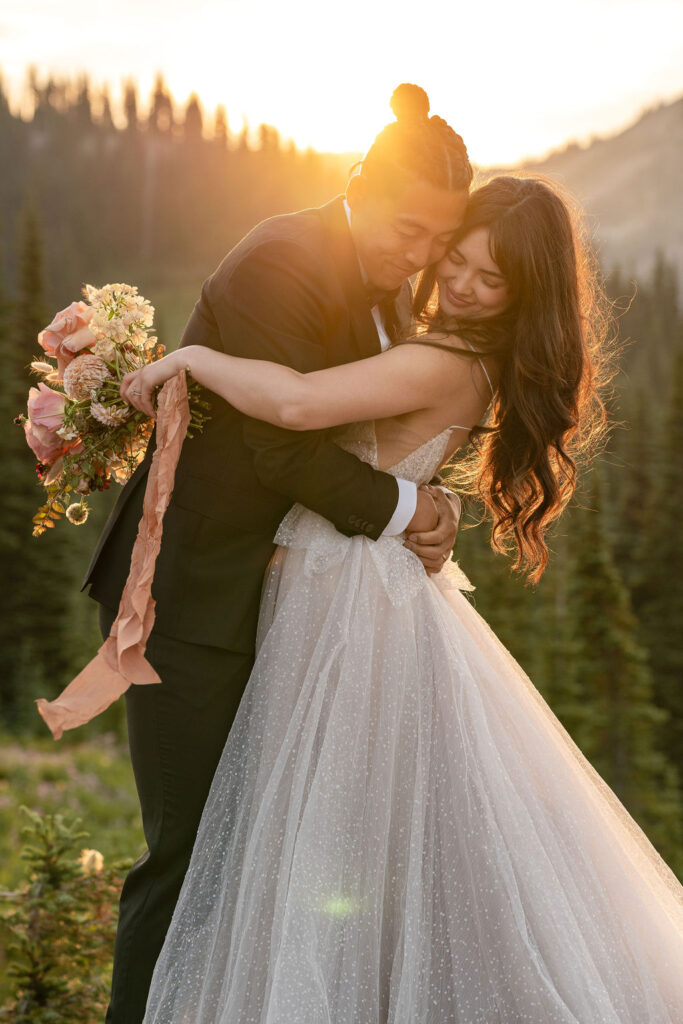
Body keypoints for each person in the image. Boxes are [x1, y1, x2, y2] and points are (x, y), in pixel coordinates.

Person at [122, 174, 683, 1023]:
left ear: (523, 294)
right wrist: (432, 502)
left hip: (344, 594)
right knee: (321, 826)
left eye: (489, 279)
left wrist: (191, 356)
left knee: (319, 829)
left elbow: (300, 403)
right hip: (339, 579)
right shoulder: (450, 347)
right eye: (455, 259)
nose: (458, 282)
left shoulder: (442, 357)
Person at [81, 83, 471, 1023]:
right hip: (192, 601)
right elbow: (282, 444)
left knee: (263, 856)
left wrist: (427, 491)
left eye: (436, 241)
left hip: (286, 606)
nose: (417, 255)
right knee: (186, 859)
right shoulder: (283, 260)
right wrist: (408, 507)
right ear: (357, 184)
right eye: (406, 228)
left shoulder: (384, 283)